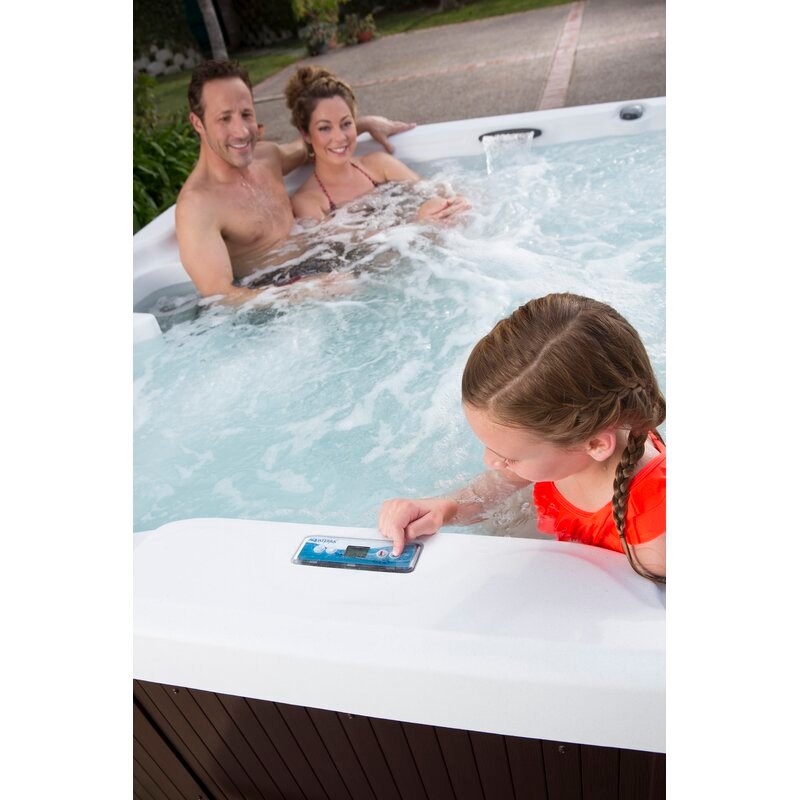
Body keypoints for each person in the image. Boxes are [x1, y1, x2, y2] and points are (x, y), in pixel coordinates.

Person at [378, 293, 667, 582]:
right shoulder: (567, 441)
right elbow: (496, 487)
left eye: (509, 458)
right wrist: (444, 508)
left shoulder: (656, 540)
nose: (490, 461)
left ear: (595, 444)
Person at [175, 60, 415, 300]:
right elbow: (220, 297)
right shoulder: (197, 205)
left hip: (322, 266)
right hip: (276, 300)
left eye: (246, 114)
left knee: (407, 250)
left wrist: (364, 124)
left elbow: (314, 143)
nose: (242, 131)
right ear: (198, 123)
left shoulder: (268, 158)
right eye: (225, 118)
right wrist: (303, 291)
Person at [284, 65, 470, 223]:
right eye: (324, 128)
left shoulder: (379, 165)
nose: (340, 137)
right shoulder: (307, 202)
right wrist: (417, 219)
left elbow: (433, 189)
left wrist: (457, 201)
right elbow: (348, 242)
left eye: (346, 124)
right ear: (306, 134)